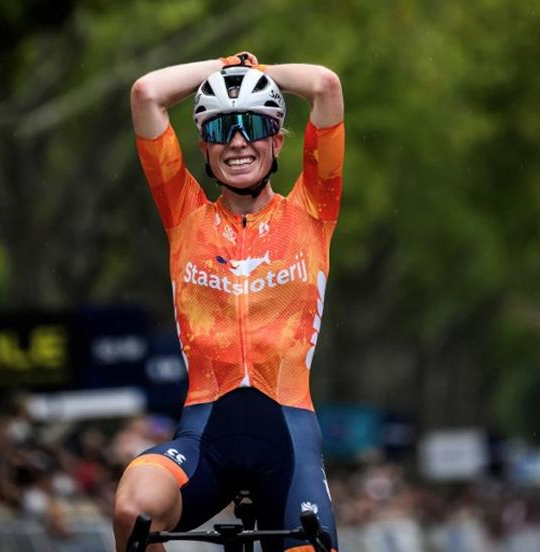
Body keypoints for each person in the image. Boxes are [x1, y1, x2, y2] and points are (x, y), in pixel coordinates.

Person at [114, 52, 344, 551]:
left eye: (254, 125)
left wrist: (256, 73)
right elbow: (145, 93)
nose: (238, 141)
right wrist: (222, 66)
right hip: (205, 442)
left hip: (288, 441)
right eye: (221, 130)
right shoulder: (184, 214)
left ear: (278, 139)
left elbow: (325, 86)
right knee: (134, 506)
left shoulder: (312, 212)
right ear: (204, 147)